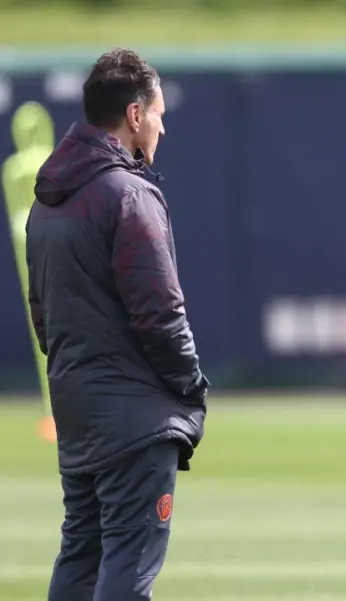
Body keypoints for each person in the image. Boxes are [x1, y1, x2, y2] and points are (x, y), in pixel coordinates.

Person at [25, 48, 209, 601]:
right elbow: (161, 313)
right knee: (128, 568)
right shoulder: (129, 195)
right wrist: (191, 385)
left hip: (78, 411)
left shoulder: (46, 202)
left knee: (80, 559)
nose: (162, 127)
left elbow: (43, 318)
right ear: (134, 115)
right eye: (157, 114)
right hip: (135, 420)